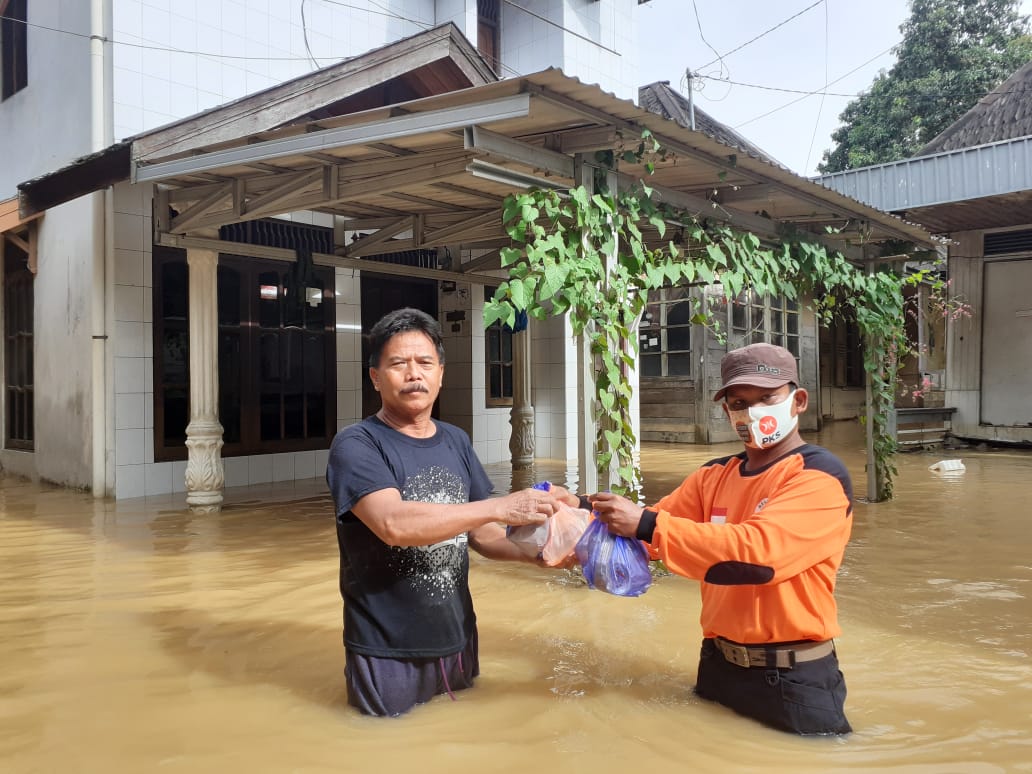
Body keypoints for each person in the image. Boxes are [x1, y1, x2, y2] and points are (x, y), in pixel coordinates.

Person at [584, 342, 853, 735]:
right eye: (739, 402)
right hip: (717, 666)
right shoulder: (713, 476)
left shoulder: (819, 476)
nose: (752, 412)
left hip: (795, 678)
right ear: (726, 411)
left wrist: (644, 525)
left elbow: (757, 560)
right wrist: (572, 511)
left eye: (767, 398)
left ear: (798, 401)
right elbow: (645, 531)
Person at [326, 307, 564, 717]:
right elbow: (392, 524)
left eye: (425, 363)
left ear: (441, 373)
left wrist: (541, 554)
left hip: (457, 638)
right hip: (387, 647)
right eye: (399, 364)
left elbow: (483, 535)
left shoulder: (455, 439)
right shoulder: (356, 445)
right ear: (376, 377)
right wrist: (500, 506)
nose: (414, 374)